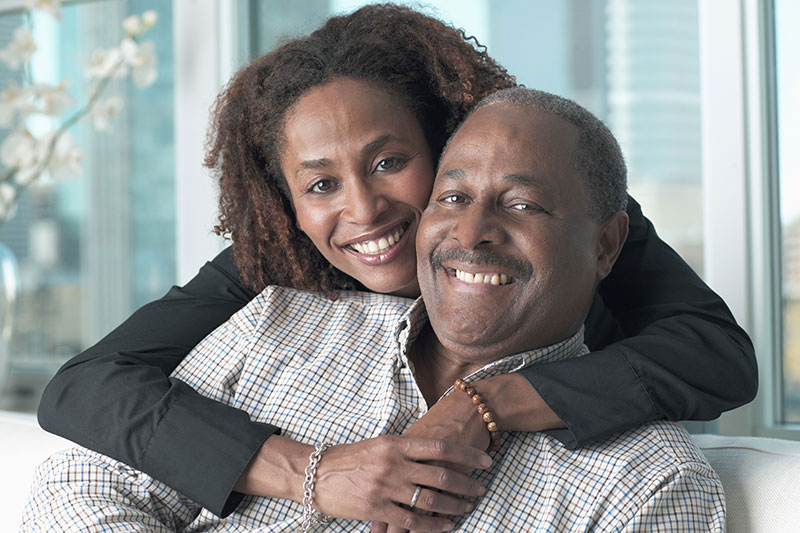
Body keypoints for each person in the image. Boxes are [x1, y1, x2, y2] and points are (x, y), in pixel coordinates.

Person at [36, 1, 754, 525]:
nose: (365, 210)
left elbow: (716, 355)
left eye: (389, 162)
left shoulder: (565, 229)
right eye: (320, 184)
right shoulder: (276, 298)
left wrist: (486, 403)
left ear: (449, 143)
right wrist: (309, 472)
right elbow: (84, 398)